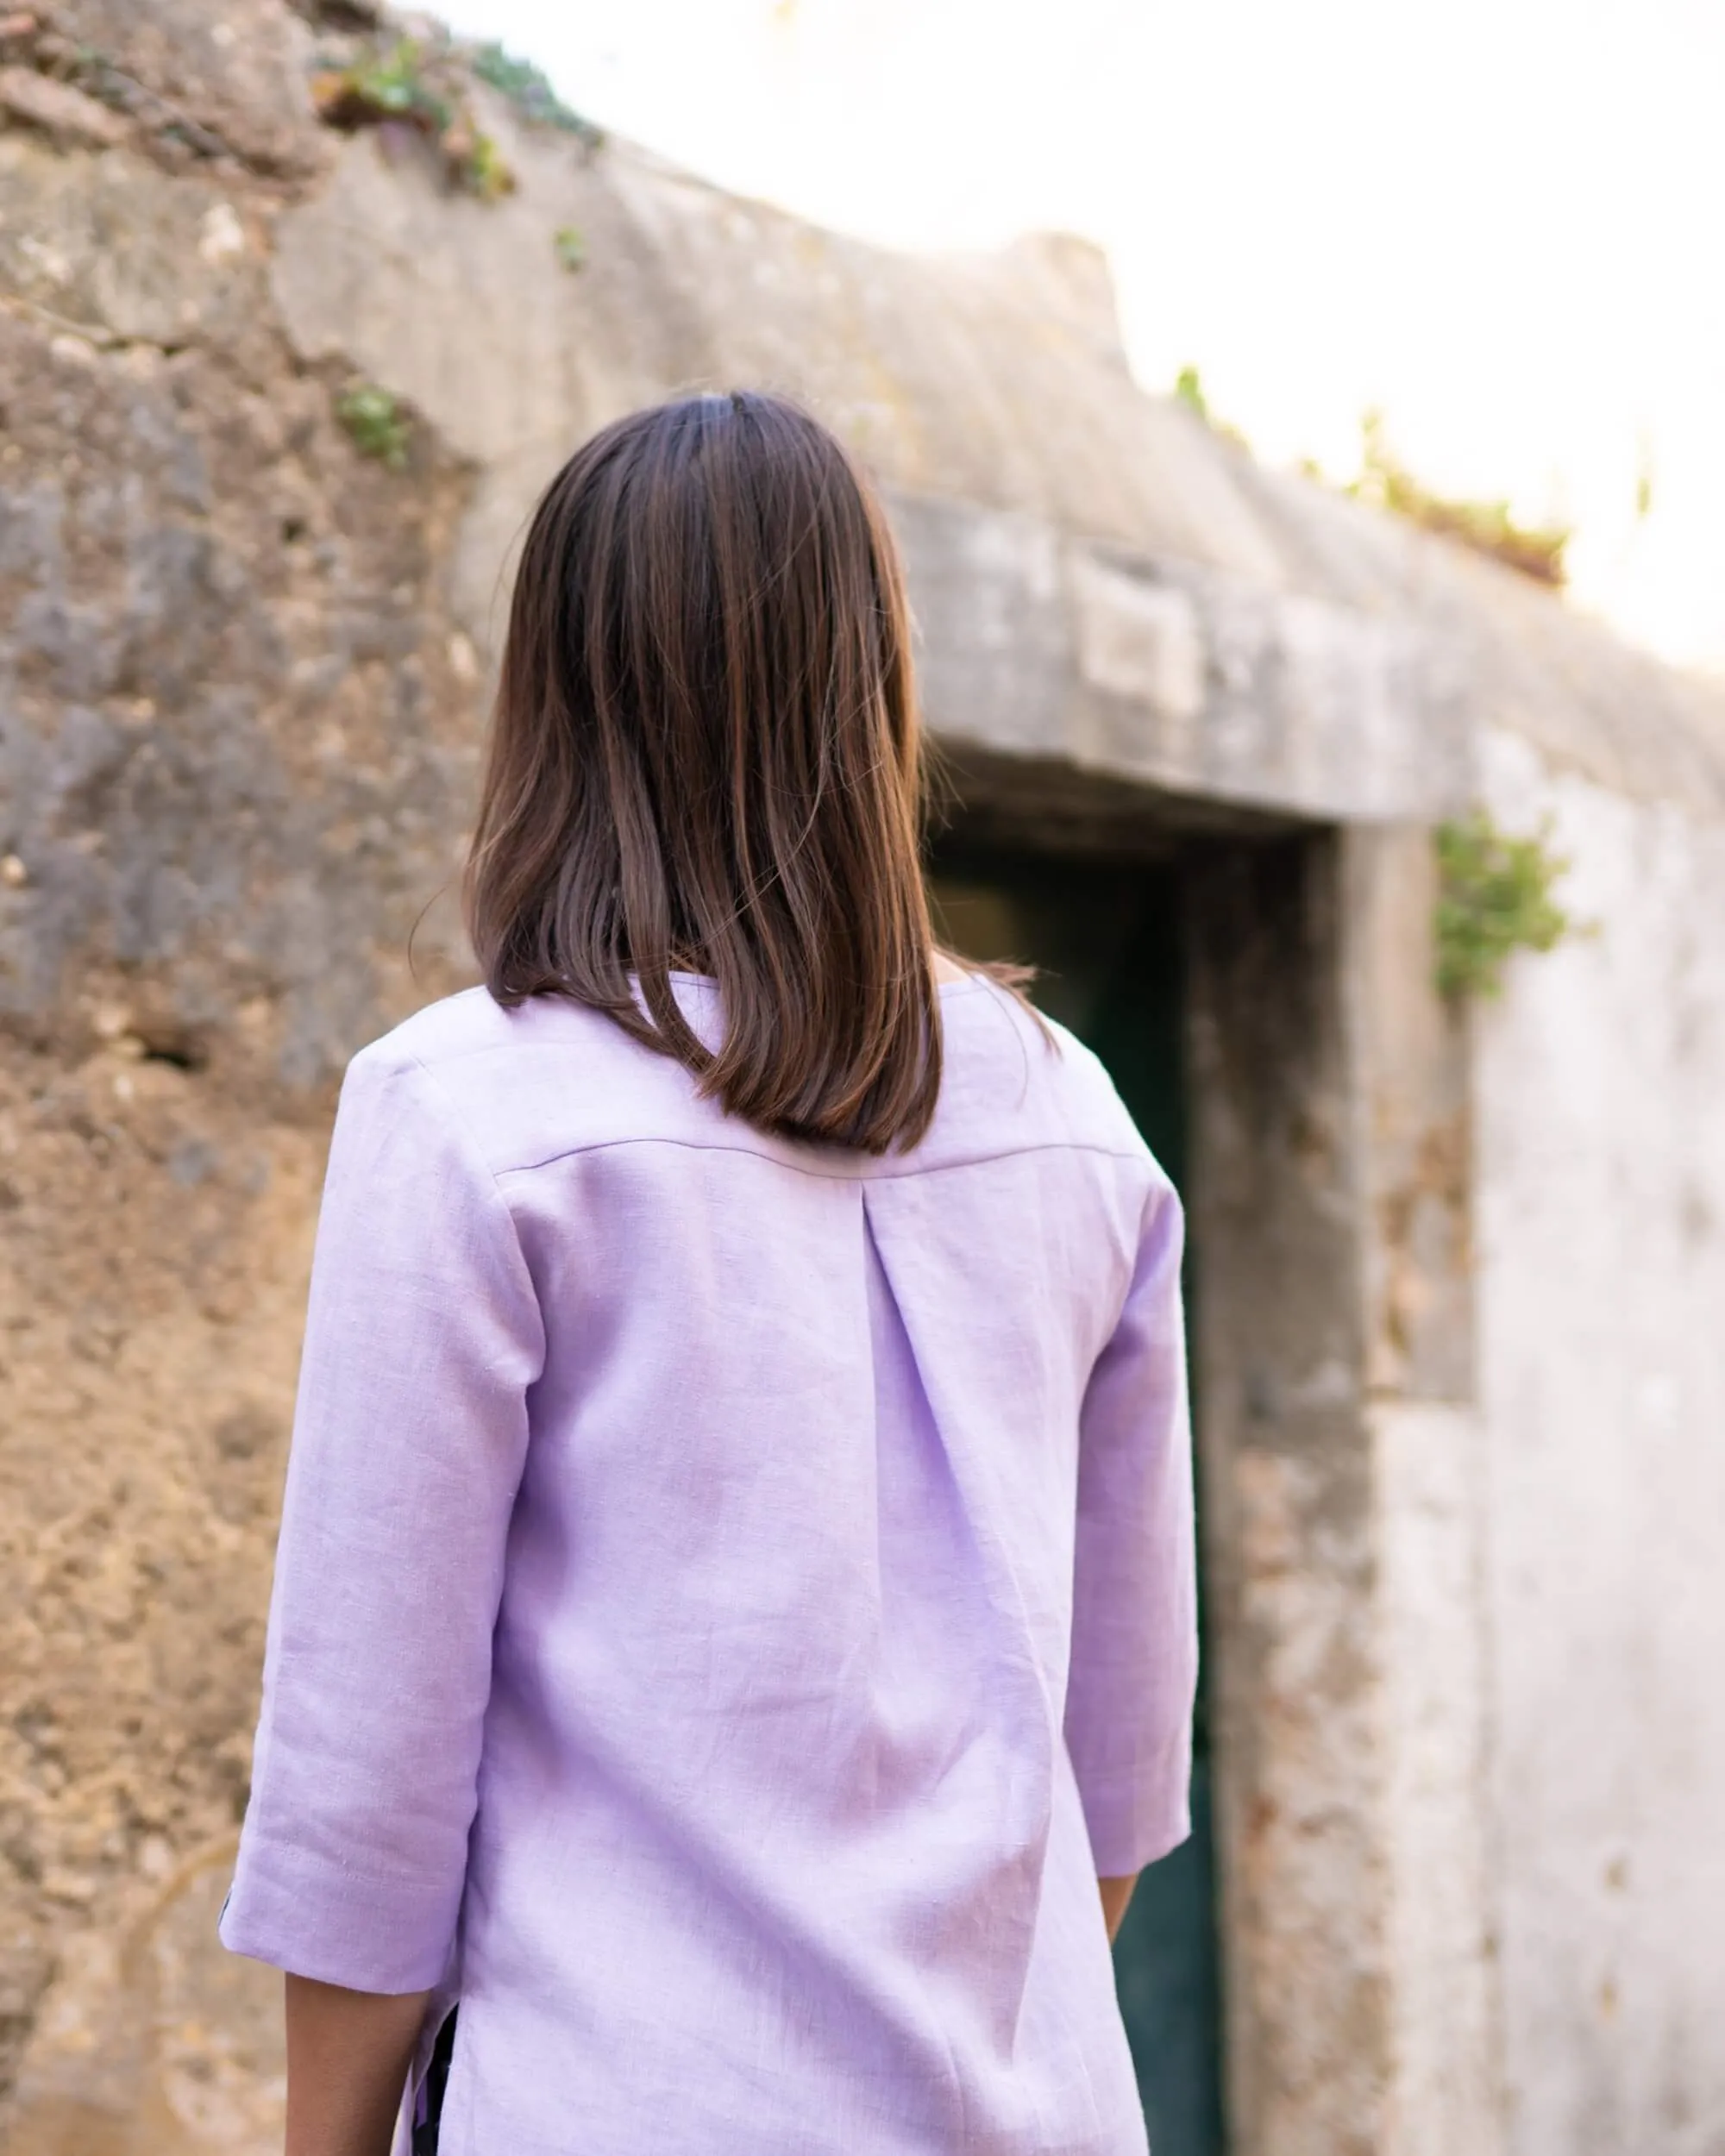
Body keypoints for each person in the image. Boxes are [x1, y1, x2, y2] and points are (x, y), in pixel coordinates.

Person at [220, 390, 1198, 2156]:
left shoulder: (464, 1113)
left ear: (559, 701)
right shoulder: (1082, 1124)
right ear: (873, 681)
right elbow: (1114, 1785)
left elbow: (370, 1789)